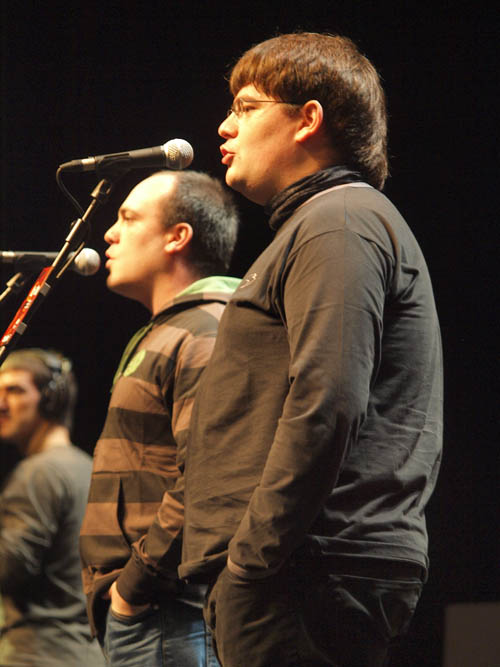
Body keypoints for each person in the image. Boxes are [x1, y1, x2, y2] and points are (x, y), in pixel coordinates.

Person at [179, 32, 443, 667]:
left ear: (308, 120)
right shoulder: (324, 223)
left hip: (305, 573)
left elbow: (328, 400)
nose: (225, 127)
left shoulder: (338, 221)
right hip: (297, 570)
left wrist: (251, 559)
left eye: (246, 107)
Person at [79, 169, 239, 666]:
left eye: (128, 218)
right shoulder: (172, 330)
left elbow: (209, 480)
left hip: (167, 612)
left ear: (177, 236)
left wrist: (136, 586)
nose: (110, 233)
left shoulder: (205, 331)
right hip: (150, 613)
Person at [0, 347, 105, 666]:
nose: (1, 404)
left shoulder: (39, 473)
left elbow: (7, 568)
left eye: (14, 390)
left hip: (38, 653)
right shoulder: (88, 467)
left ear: (51, 400)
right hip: (85, 652)